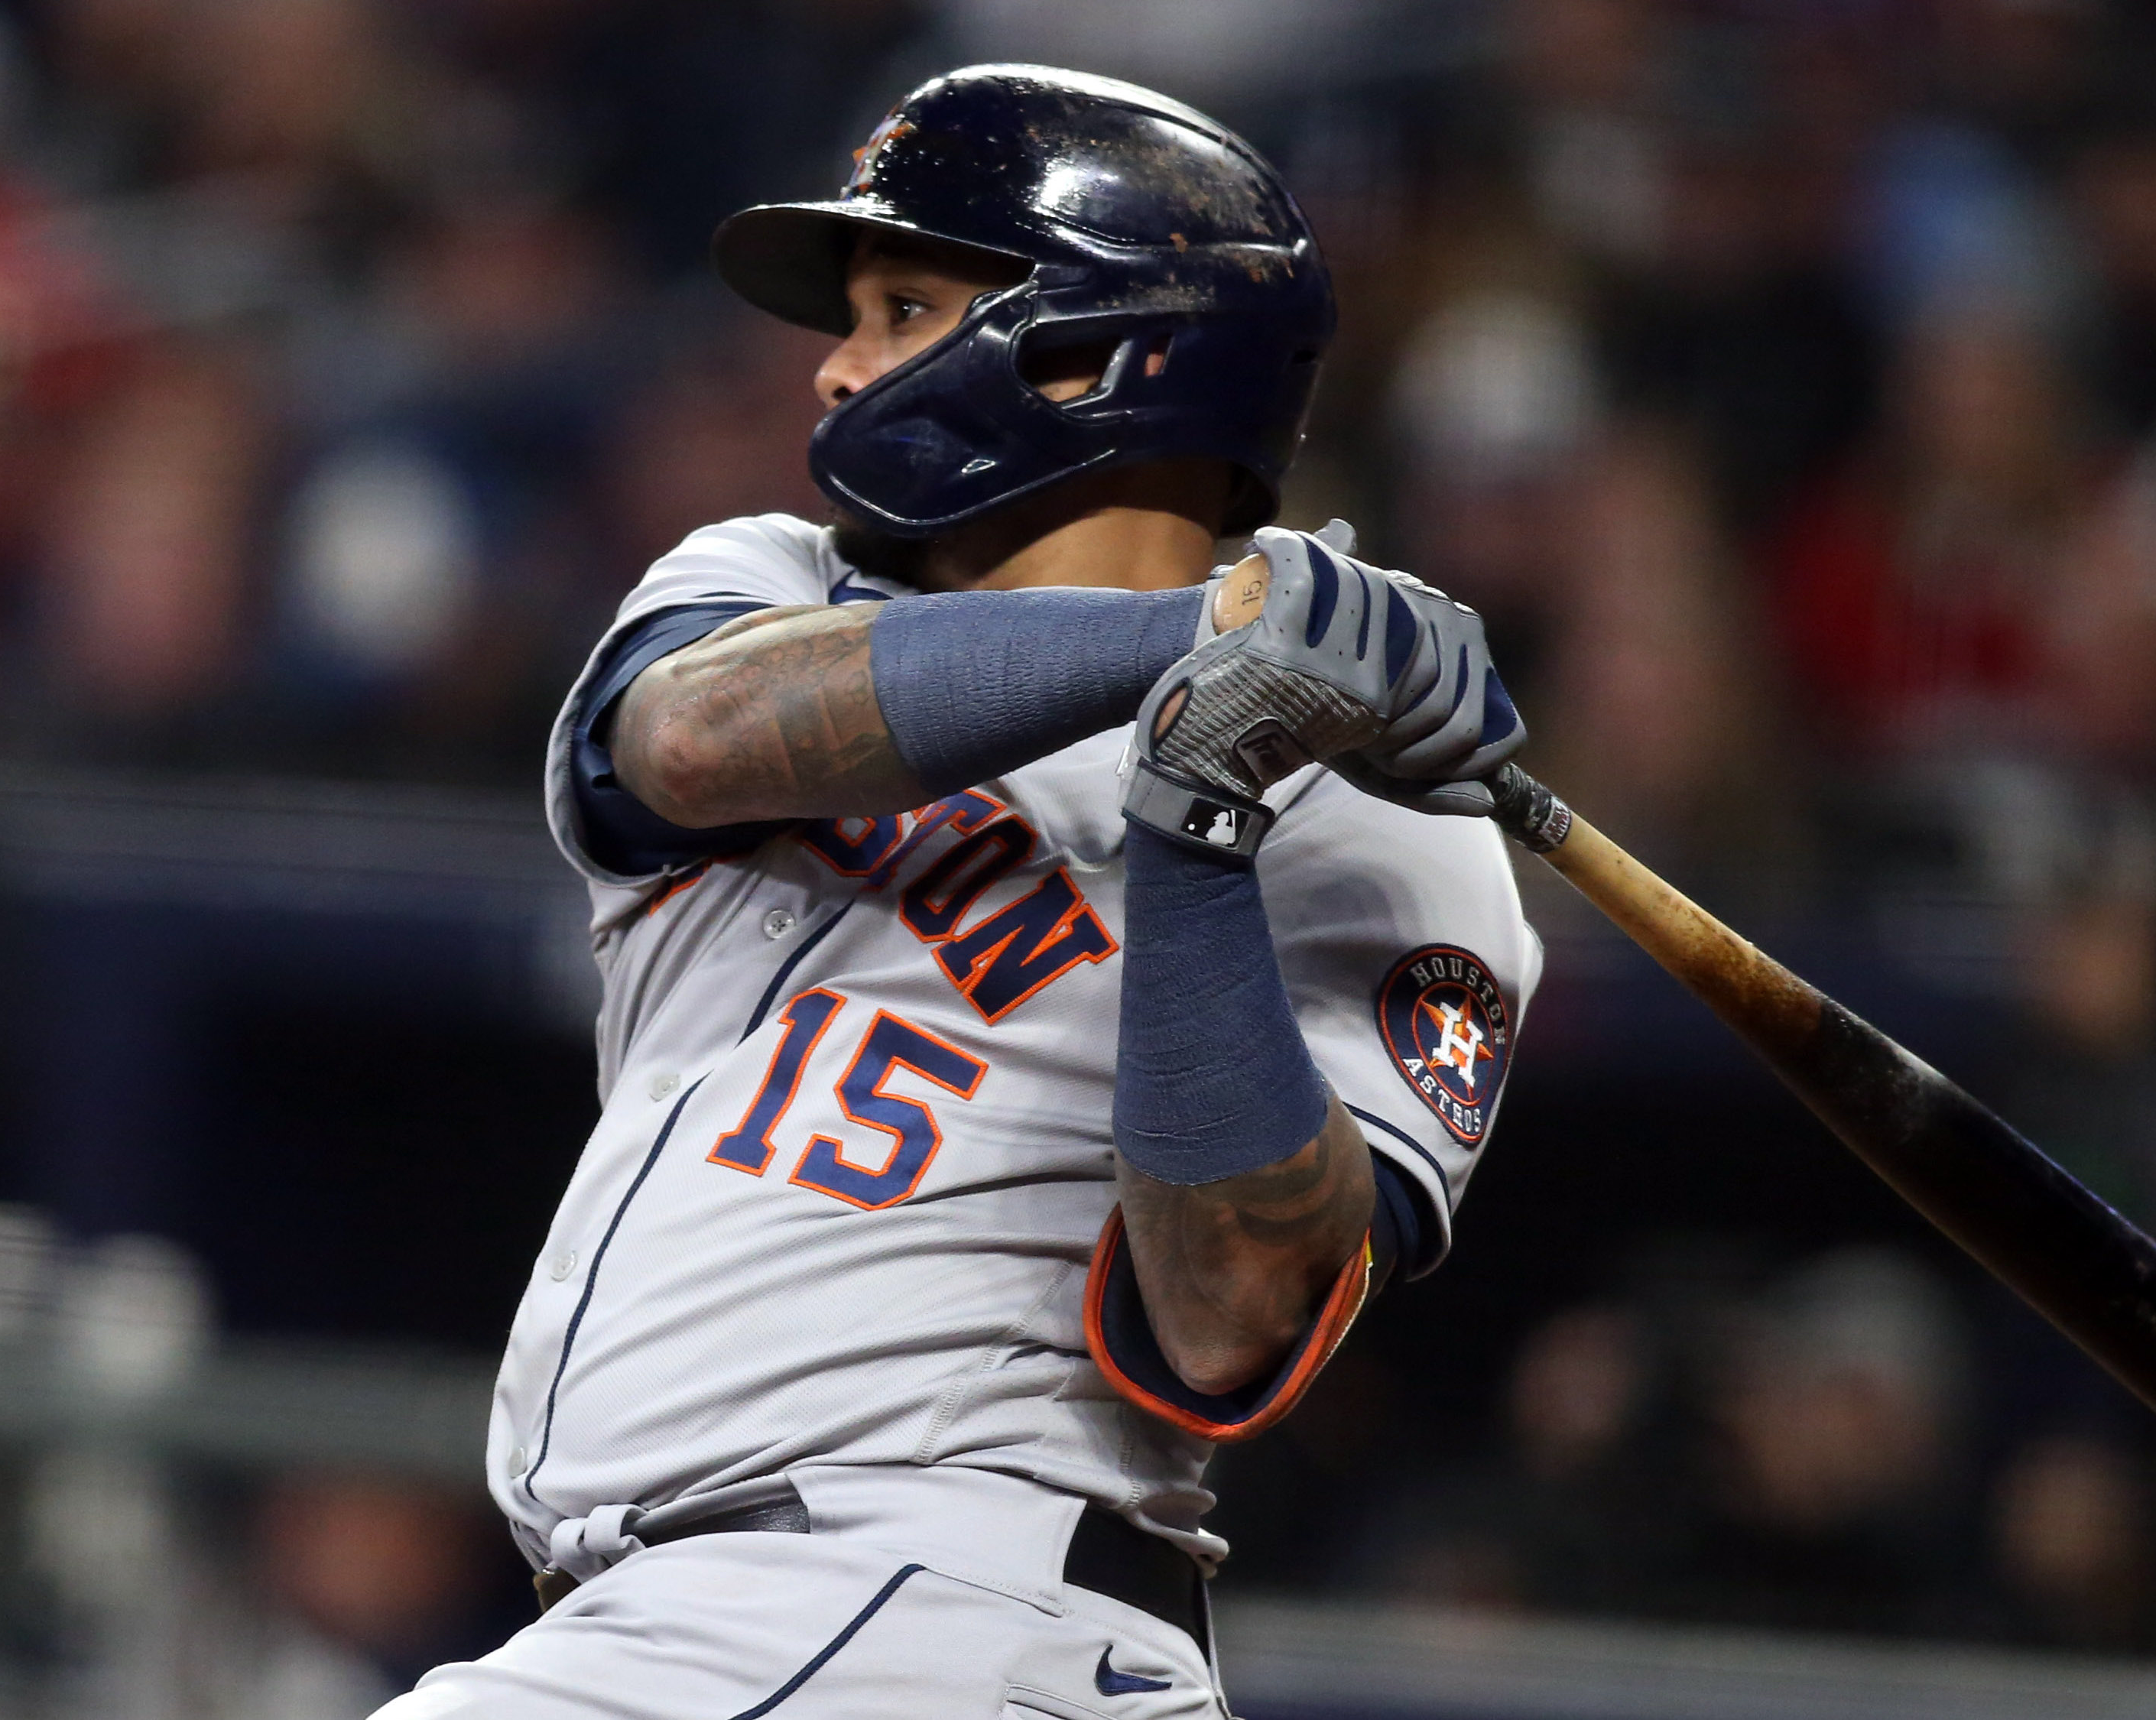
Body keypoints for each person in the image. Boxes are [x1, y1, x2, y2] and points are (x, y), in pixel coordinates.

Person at [378, 65, 1541, 1719]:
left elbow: (1226, 1319)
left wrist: (1203, 828)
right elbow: (689, 739)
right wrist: (1190, 642)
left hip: (927, 1594)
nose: (841, 366)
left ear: (1097, 350)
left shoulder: (1381, 826)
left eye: (906, 305)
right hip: (706, 1622)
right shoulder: (768, 585)